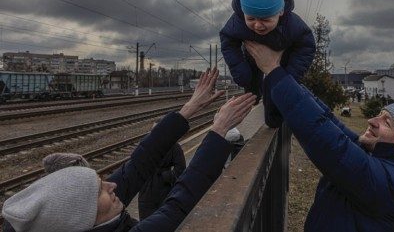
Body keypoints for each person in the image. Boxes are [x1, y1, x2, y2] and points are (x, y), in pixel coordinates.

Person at [2, 68, 256, 232]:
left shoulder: (91, 215)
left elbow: (138, 164)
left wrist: (187, 110)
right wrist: (218, 130)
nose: (111, 185)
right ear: (84, 220)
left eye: (101, 181)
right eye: (100, 190)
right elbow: (179, 204)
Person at [245, 41, 394, 232]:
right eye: (379, 114)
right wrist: (285, 76)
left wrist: (273, 70)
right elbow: (326, 120)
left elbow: (330, 144)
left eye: (386, 122)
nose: (372, 121)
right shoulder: (380, 161)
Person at [220, 0, 315, 128]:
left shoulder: (291, 24)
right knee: (249, 82)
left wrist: (291, 75)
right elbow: (228, 40)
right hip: (251, 57)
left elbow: (307, 45)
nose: (258, 25)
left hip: (282, 60)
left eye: (265, 19)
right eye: (251, 18)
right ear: (243, 12)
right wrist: (239, 70)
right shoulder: (237, 21)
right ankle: (253, 96)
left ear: (280, 11)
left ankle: (274, 121)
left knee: (276, 90)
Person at [138, 139, 186, 220]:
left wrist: (165, 176)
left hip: (163, 190)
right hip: (148, 190)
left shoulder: (173, 145)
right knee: (146, 222)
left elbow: (181, 169)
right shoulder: (145, 144)